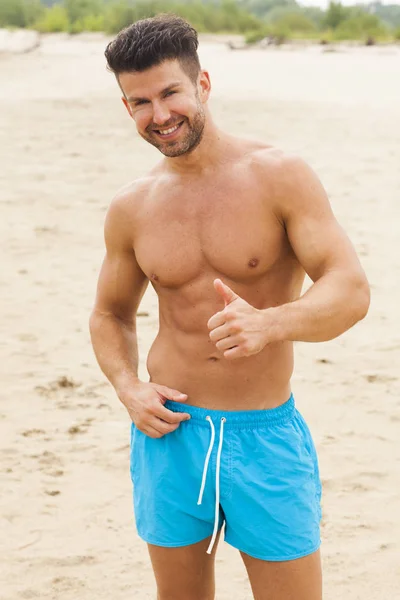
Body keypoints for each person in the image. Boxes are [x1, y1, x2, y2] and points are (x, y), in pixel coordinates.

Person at [89, 14, 370, 600]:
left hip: (264, 438)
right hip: (169, 436)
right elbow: (110, 314)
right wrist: (126, 386)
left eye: (170, 92)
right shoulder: (132, 206)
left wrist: (270, 323)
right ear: (127, 108)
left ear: (203, 85)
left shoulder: (278, 176)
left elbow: (350, 289)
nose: (159, 115)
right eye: (140, 101)